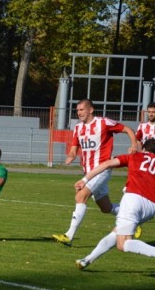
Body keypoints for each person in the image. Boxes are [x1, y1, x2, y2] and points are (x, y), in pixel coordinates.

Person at [52, 99, 139, 246]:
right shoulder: (78, 128)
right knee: (106, 208)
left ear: (91, 110)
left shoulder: (104, 123)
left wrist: (134, 145)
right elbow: (74, 149)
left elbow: (128, 129)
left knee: (80, 196)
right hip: (88, 171)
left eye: (82, 110)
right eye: (77, 110)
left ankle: (68, 236)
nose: (79, 113)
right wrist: (70, 156)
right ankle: (133, 219)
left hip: (102, 169)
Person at [75, 138, 155, 269]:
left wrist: (85, 179)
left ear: (144, 149)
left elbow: (107, 164)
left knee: (122, 244)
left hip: (133, 200)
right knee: (116, 233)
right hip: (151, 206)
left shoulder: (135, 156)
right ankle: (87, 259)